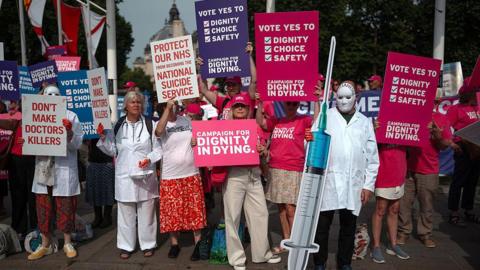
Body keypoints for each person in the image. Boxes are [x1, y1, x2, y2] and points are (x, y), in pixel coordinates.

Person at [313, 81, 379, 270]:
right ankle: (319, 262)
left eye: (347, 97)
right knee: (322, 227)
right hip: (328, 182)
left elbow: (372, 156)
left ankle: (344, 262)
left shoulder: (364, 122)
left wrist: (368, 185)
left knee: (348, 227)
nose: (343, 101)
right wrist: (309, 139)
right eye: (339, 97)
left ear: (355, 98)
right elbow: (313, 142)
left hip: (353, 184)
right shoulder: (327, 117)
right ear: (335, 98)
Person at [97, 90, 162, 259]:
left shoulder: (150, 124)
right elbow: (113, 150)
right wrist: (103, 137)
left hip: (145, 176)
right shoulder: (118, 125)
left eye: (138, 102)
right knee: (125, 214)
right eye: (132, 102)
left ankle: (148, 244)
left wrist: (149, 159)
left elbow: (158, 149)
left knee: (147, 213)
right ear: (125, 105)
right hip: (124, 178)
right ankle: (126, 246)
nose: (136, 105)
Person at [222, 94, 281, 270]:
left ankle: (261, 253)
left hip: (253, 174)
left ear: (248, 110)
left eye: (243, 106)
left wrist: (263, 151)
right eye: (237, 106)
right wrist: (197, 143)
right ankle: (237, 258)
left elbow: (265, 154)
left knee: (261, 213)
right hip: (234, 175)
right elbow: (211, 146)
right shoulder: (223, 128)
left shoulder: (255, 127)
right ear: (231, 110)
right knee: (232, 217)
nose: (240, 109)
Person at [256, 93, 319, 254]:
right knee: (281, 208)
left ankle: (296, 241)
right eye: (288, 103)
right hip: (275, 168)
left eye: (294, 104)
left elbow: (317, 123)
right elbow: (260, 123)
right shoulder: (277, 120)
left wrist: (317, 100)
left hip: (293, 169)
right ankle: (286, 241)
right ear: (284, 104)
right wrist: (261, 102)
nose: (291, 106)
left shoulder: (303, 120)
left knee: (291, 208)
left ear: (298, 105)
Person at [28, 85, 84, 260]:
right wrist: (25, 142)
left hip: (64, 170)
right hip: (44, 169)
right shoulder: (35, 114)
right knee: (43, 208)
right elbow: (33, 141)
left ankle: (67, 242)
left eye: (56, 94)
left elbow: (77, 145)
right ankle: (45, 244)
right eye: (48, 94)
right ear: (43, 96)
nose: (52, 96)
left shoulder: (71, 116)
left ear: (61, 97)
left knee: (65, 206)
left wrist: (68, 133)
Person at [155, 99, 207, 261]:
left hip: (191, 172)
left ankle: (198, 243)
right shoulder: (160, 124)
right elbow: (158, 132)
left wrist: (196, 141)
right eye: (169, 105)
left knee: (194, 210)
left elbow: (201, 137)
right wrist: (167, 108)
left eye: (174, 104)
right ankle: (175, 243)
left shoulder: (187, 120)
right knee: (172, 212)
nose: (173, 107)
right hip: (170, 175)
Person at [398, 96, 452, 248]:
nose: (431, 103)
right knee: (404, 203)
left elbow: (444, 145)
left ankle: (425, 233)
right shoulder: (410, 115)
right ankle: (403, 231)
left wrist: (437, 135)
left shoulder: (441, 119)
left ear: (437, 102)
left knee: (427, 205)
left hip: (428, 169)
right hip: (407, 167)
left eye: (434, 100)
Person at [0, 100, 37, 239]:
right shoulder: (16, 117)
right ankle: (19, 228)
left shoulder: (39, 118)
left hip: (33, 159)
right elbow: (5, 122)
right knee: (18, 196)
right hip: (16, 160)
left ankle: (35, 228)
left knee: (33, 196)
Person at [446, 79, 480, 225]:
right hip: (463, 148)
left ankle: (468, 210)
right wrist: (452, 143)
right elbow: (446, 128)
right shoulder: (455, 109)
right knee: (458, 181)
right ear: (467, 93)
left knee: (472, 181)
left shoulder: (477, 107)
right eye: (474, 91)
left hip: (477, 148)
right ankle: (454, 212)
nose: (476, 94)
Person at [371, 143, 410, 263]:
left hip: (399, 169)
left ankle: (393, 244)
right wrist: (376, 130)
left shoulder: (407, 124)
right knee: (380, 209)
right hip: (384, 168)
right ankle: (376, 246)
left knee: (395, 209)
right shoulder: (377, 124)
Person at [197, 43, 256, 120]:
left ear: (240, 85)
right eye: (228, 85)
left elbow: (254, 81)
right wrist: (201, 69)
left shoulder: (248, 98)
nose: (231, 87)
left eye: (233, 84)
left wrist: (249, 57)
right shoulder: (223, 101)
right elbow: (204, 90)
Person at [85, 138, 115, 229]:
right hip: (93, 160)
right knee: (95, 190)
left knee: (108, 190)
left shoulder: (109, 125)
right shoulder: (88, 123)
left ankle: (107, 216)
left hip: (107, 161)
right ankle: (97, 217)